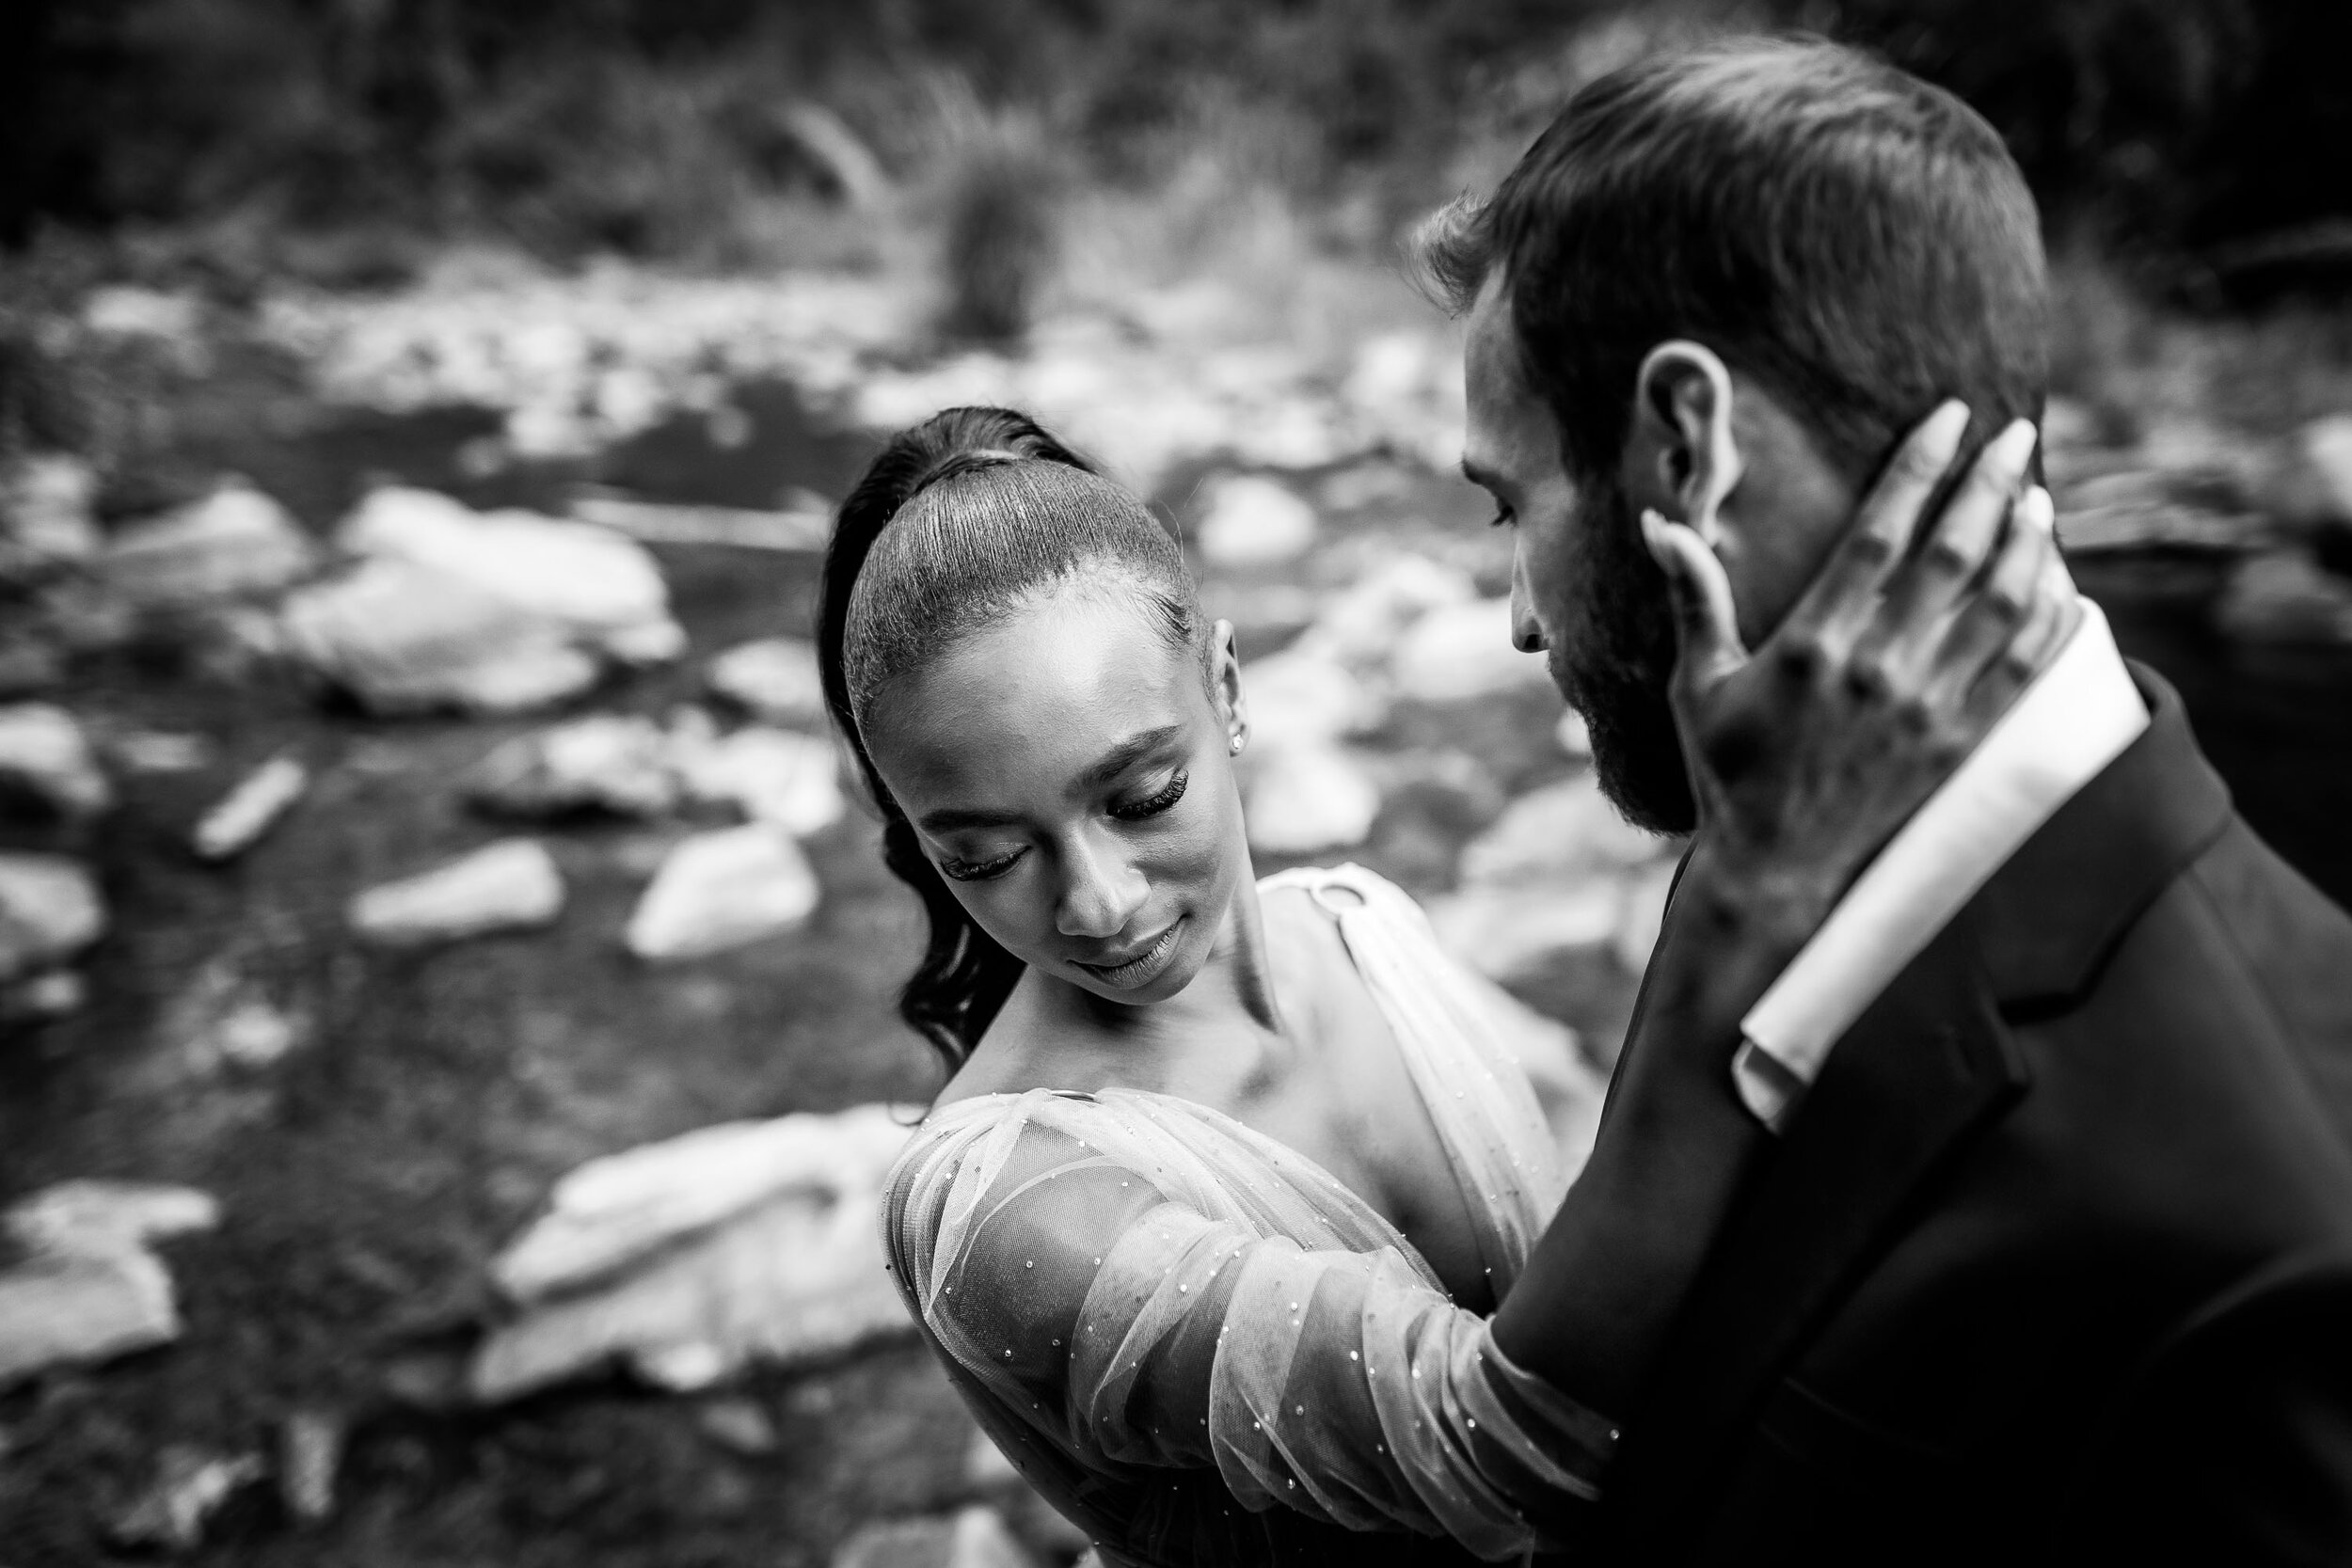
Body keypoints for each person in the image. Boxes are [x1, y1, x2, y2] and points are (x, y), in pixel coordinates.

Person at [825, 398, 2067, 1565]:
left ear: (1231, 688)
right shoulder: (996, 1205)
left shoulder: (1370, 931)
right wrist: (1747, 878)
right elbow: (1494, 1443)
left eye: (1143, 796)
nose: (1096, 902)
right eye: (981, 855)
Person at [1418, 36, 2352, 1567]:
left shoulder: (2279, 1253)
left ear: (1686, 452)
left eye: (1511, 503)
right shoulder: (1774, 834)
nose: (1519, 617)